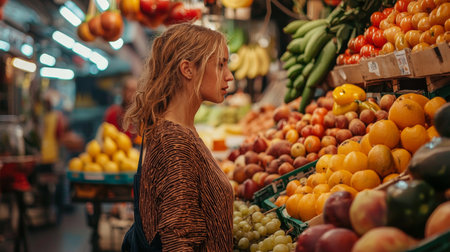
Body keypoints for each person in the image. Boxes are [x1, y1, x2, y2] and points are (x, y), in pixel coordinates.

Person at [121, 23, 235, 251]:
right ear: (188, 69)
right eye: (221, 65)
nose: (229, 76)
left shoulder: (180, 130)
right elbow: (179, 241)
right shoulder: (174, 142)